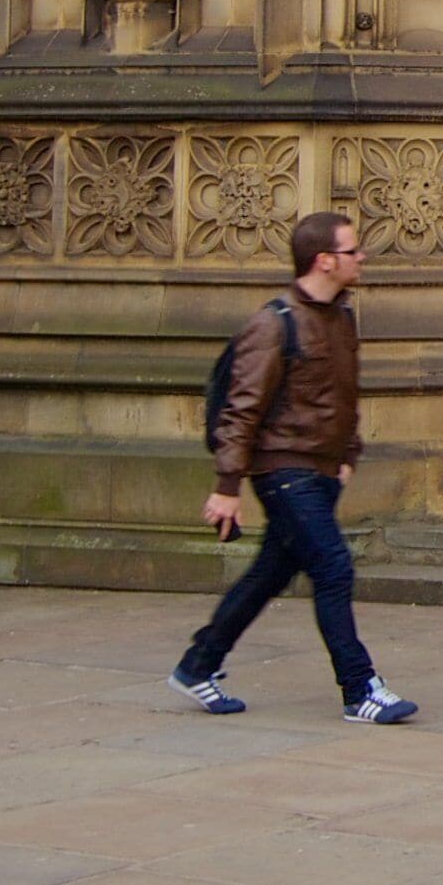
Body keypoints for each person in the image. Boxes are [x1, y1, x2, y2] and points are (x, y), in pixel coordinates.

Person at [168, 210, 418, 723]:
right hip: (283, 471)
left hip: (322, 470)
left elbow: (342, 394)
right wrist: (227, 486)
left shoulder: (341, 316)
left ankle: (198, 665)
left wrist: (347, 455)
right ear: (325, 260)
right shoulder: (273, 323)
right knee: (332, 566)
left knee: (268, 575)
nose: (362, 257)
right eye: (353, 250)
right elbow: (242, 409)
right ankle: (360, 689)